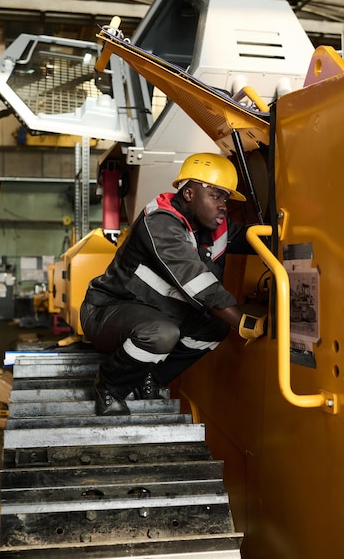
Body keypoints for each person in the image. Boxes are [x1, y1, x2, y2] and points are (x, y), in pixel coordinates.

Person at [80, 152, 267, 416]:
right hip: (107, 310)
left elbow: (252, 238)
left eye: (225, 198)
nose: (223, 205)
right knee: (162, 333)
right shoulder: (160, 222)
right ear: (189, 193)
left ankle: (152, 378)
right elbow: (197, 281)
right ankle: (109, 387)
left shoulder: (212, 228)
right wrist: (243, 322)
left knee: (213, 327)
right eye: (216, 195)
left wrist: (289, 234)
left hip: (155, 312)